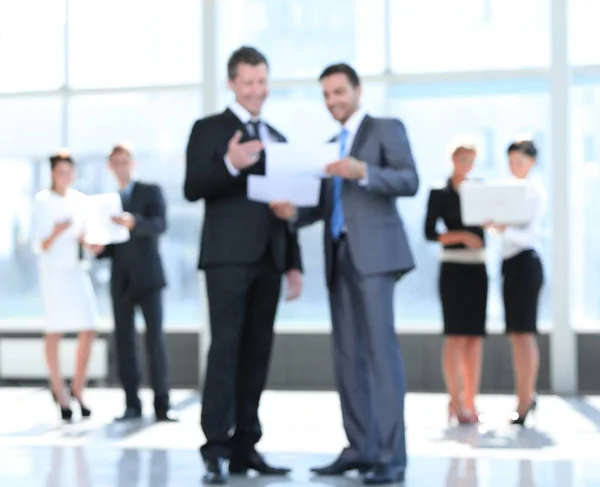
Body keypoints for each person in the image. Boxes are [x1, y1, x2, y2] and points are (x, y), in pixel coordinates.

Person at [272, 63, 419, 485]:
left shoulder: (385, 129)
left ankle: (391, 457)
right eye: (326, 95)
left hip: (375, 257)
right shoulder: (325, 148)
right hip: (340, 258)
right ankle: (360, 448)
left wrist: (365, 172)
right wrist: (292, 214)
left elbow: (409, 180)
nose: (333, 100)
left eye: (339, 91)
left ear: (357, 90)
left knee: (380, 355)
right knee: (348, 357)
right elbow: (320, 207)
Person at [183, 46, 303, 485]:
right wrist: (230, 163)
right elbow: (193, 186)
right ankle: (215, 447)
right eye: (248, 83)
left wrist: (294, 263)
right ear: (233, 83)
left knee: (257, 354)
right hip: (227, 258)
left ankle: (245, 447)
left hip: (270, 259)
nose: (257, 91)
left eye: (262, 82)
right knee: (226, 351)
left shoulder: (278, 136)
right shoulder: (209, 129)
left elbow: (289, 206)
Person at [95, 144, 176, 423]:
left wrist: (134, 222)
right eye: (115, 163)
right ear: (110, 167)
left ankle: (163, 405)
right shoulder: (106, 201)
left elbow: (160, 225)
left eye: (124, 162)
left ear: (133, 163)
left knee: (155, 342)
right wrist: (98, 248)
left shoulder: (149, 191)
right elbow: (110, 245)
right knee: (124, 344)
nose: (120, 167)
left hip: (149, 278)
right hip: (121, 280)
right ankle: (131, 404)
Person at [424, 135, 487, 425]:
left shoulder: (480, 189)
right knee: (455, 335)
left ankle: (471, 401)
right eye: (463, 159)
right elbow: (429, 233)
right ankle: (454, 399)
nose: (467, 165)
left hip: (477, 270)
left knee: (474, 336)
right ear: (453, 159)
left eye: (471, 161)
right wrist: (461, 236)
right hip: (452, 269)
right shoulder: (439, 192)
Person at [32, 151, 98, 421]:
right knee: (55, 329)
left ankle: (78, 387)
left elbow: (88, 235)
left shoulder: (81, 201)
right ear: (52, 173)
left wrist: (89, 242)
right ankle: (59, 391)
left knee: (89, 326)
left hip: (76, 269)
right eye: (61, 171)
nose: (66, 176)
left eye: (69, 171)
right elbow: (39, 244)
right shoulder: (43, 201)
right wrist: (58, 231)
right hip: (54, 272)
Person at [488, 139, 546, 426]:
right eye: (511, 161)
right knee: (516, 334)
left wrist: (501, 228)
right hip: (511, 266)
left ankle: (525, 400)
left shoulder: (534, 191)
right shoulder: (511, 191)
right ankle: (524, 396)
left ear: (531, 162)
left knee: (523, 334)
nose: (514, 167)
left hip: (526, 264)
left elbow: (528, 235)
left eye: (519, 161)